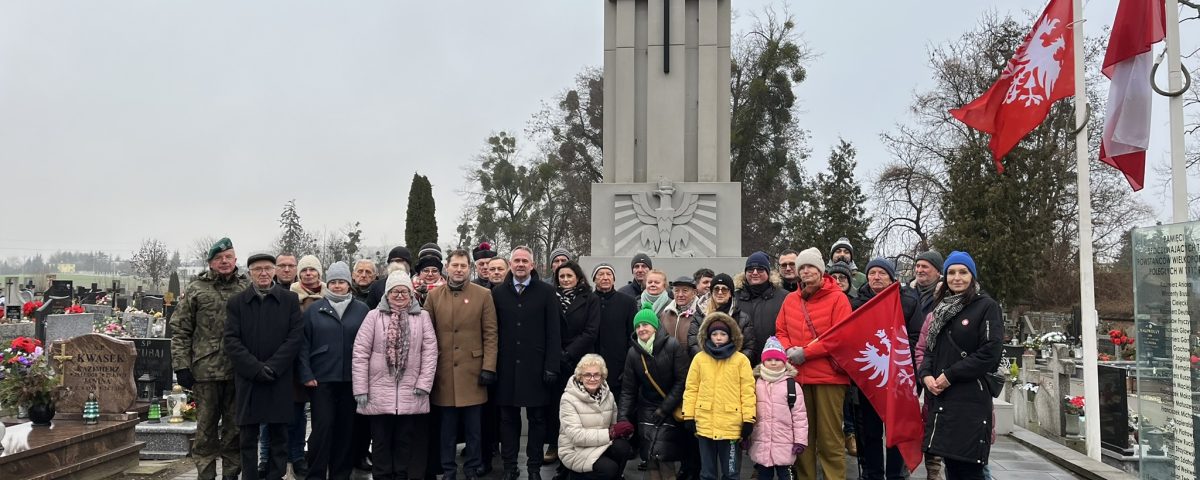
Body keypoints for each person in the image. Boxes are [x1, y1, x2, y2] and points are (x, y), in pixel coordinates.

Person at [918, 251, 1002, 480]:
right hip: (943, 401)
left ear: (972, 276)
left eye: (963, 272)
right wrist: (925, 375)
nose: (957, 278)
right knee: (952, 467)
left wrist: (950, 375)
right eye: (951, 272)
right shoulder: (941, 309)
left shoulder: (986, 306)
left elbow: (990, 352)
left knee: (970, 470)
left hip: (970, 400)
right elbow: (930, 350)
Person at [171, 237, 248, 480]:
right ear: (211, 262)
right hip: (205, 372)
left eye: (228, 257)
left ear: (235, 259)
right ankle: (205, 476)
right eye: (218, 258)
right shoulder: (197, 288)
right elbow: (180, 330)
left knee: (235, 431)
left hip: (239, 371)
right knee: (205, 432)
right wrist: (181, 366)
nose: (224, 261)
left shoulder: (246, 287)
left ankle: (231, 475)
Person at [224, 253, 305, 480]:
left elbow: (295, 337)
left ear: (274, 271)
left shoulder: (289, 300)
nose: (263, 273)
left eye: (268, 268)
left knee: (279, 435)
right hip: (249, 379)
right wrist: (255, 369)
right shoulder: (237, 303)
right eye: (257, 269)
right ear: (249, 272)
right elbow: (231, 340)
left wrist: (274, 367)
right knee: (248, 437)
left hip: (279, 378)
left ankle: (275, 475)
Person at [774, 247, 852, 480]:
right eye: (802, 267)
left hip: (829, 379)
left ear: (821, 270)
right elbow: (780, 330)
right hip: (798, 377)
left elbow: (840, 337)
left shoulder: (838, 298)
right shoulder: (790, 299)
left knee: (830, 439)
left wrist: (806, 353)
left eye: (810, 266)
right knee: (802, 438)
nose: (806, 271)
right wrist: (788, 348)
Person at [353, 271, 439, 480]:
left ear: (411, 294)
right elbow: (360, 353)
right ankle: (382, 475)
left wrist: (424, 384)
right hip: (378, 391)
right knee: (380, 440)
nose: (400, 295)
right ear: (387, 294)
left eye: (404, 291)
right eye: (394, 291)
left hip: (411, 391)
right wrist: (361, 389)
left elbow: (430, 352)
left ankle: (401, 475)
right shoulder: (373, 317)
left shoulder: (422, 317)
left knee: (405, 440)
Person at [425, 249, 499, 480]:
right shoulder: (434, 296)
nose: (459, 270)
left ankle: (472, 468)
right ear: (447, 267)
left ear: (469, 268)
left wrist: (489, 367)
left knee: (473, 428)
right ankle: (448, 470)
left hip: (473, 373)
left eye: (463, 266)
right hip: (444, 372)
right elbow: (426, 334)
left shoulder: (483, 295)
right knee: (446, 428)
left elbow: (490, 334)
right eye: (455, 265)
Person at [491, 246, 561, 480]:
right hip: (506, 368)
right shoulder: (498, 293)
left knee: (537, 420)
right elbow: (492, 331)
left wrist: (551, 365)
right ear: (510, 265)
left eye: (525, 261)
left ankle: (534, 468)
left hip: (536, 368)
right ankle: (510, 466)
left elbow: (553, 332)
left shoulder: (546, 292)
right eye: (516, 260)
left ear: (532, 265)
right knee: (508, 420)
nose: (520, 264)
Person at [297, 262, 370, 480]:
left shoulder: (362, 310)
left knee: (346, 431)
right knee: (323, 429)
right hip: (322, 379)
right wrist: (306, 373)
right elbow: (303, 345)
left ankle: (341, 474)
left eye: (342, 282)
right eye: (333, 282)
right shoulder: (314, 310)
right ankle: (316, 474)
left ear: (349, 284)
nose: (338, 286)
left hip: (352, 380)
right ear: (327, 284)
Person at [851, 257, 922, 480]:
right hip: (870, 378)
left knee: (896, 430)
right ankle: (873, 474)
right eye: (872, 273)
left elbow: (916, 337)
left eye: (882, 273)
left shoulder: (907, 301)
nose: (876, 277)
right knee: (870, 432)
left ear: (891, 277)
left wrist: (896, 357)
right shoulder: (857, 304)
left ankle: (895, 475)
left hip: (898, 378)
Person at [681, 313, 755, 480]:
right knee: (707, 473)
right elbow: (691, 389)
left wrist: (748, 419)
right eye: (714, 334)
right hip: (705, 423)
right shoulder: (699, 359)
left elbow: (748, 392)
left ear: (731, 336)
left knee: (731, 473)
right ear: (708, 336)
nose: (719, 338)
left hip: (731, 425)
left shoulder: (741, 360)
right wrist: (689, 416)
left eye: (723, 334)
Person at [618, 305, 689, 480]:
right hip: (646, 410)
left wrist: (665, 408)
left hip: (669, 408)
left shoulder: (672, 345)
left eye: (645, 324)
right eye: (638, 326)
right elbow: (628, 390)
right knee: (650, 458)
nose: (641, 329)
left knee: (664, 458)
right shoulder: (633, 353)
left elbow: (682, 380)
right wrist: (623, 418)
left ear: (655, 327)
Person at [547, 261, 601, 465]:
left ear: (578, 277)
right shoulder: (550, 297)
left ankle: (580, 446)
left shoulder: (590, 298)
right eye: (561, 276)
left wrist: (569, 353)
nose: (565, 279)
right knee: (556, 405)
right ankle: (555, 444)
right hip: (556, 359)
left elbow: (591, 331)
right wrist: (557, 353)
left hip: (581, 360)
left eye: (569, 275)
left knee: (581, 407)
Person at [558, 354, 634, 480]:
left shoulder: (608, 395)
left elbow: (613, 426)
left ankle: (615, 477)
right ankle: (574, 476)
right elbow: (576, 436)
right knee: (609, 469)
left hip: (601, 444)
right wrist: (611, 433)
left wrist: (624, 431)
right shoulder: (568, 399)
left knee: (623, 447)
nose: (592, 379)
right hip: (575, 449)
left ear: (602, 377)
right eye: (587, 375)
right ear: (580, 377)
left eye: (596, 375)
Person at [748, 336, 808, 480]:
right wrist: (746, 436)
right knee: (763, 476)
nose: (773, 363)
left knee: (786, 476)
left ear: (784, 361)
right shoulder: (755, 384)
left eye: (777, 359)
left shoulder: (792, 386)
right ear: (763, 361)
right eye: (769, 359)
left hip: (785, 445)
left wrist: (800, 441)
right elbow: (749, 411)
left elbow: (800, 417)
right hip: (761, 444)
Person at [589, 263, 635, 401]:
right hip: (592, 366)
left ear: (614, 279)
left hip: (618, 367)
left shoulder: (627, 302)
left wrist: (627, 367)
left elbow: (632, 336)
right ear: (594, 279)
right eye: (600, 274)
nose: (605, 277)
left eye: (609, 274)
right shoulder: (586, 301)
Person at [736, 251, 781, 363]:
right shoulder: (734, 297)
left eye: (760, 269)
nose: (755, 273)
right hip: (740, 361)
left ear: (768, 272)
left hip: (773, 362)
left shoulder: (783, 297)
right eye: (750, 269)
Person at [661, 276, 703, 351]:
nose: (680, 295)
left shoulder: (701, 313)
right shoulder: (665, 313)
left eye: (685, 291)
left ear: (694, 293)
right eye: (676, 291)